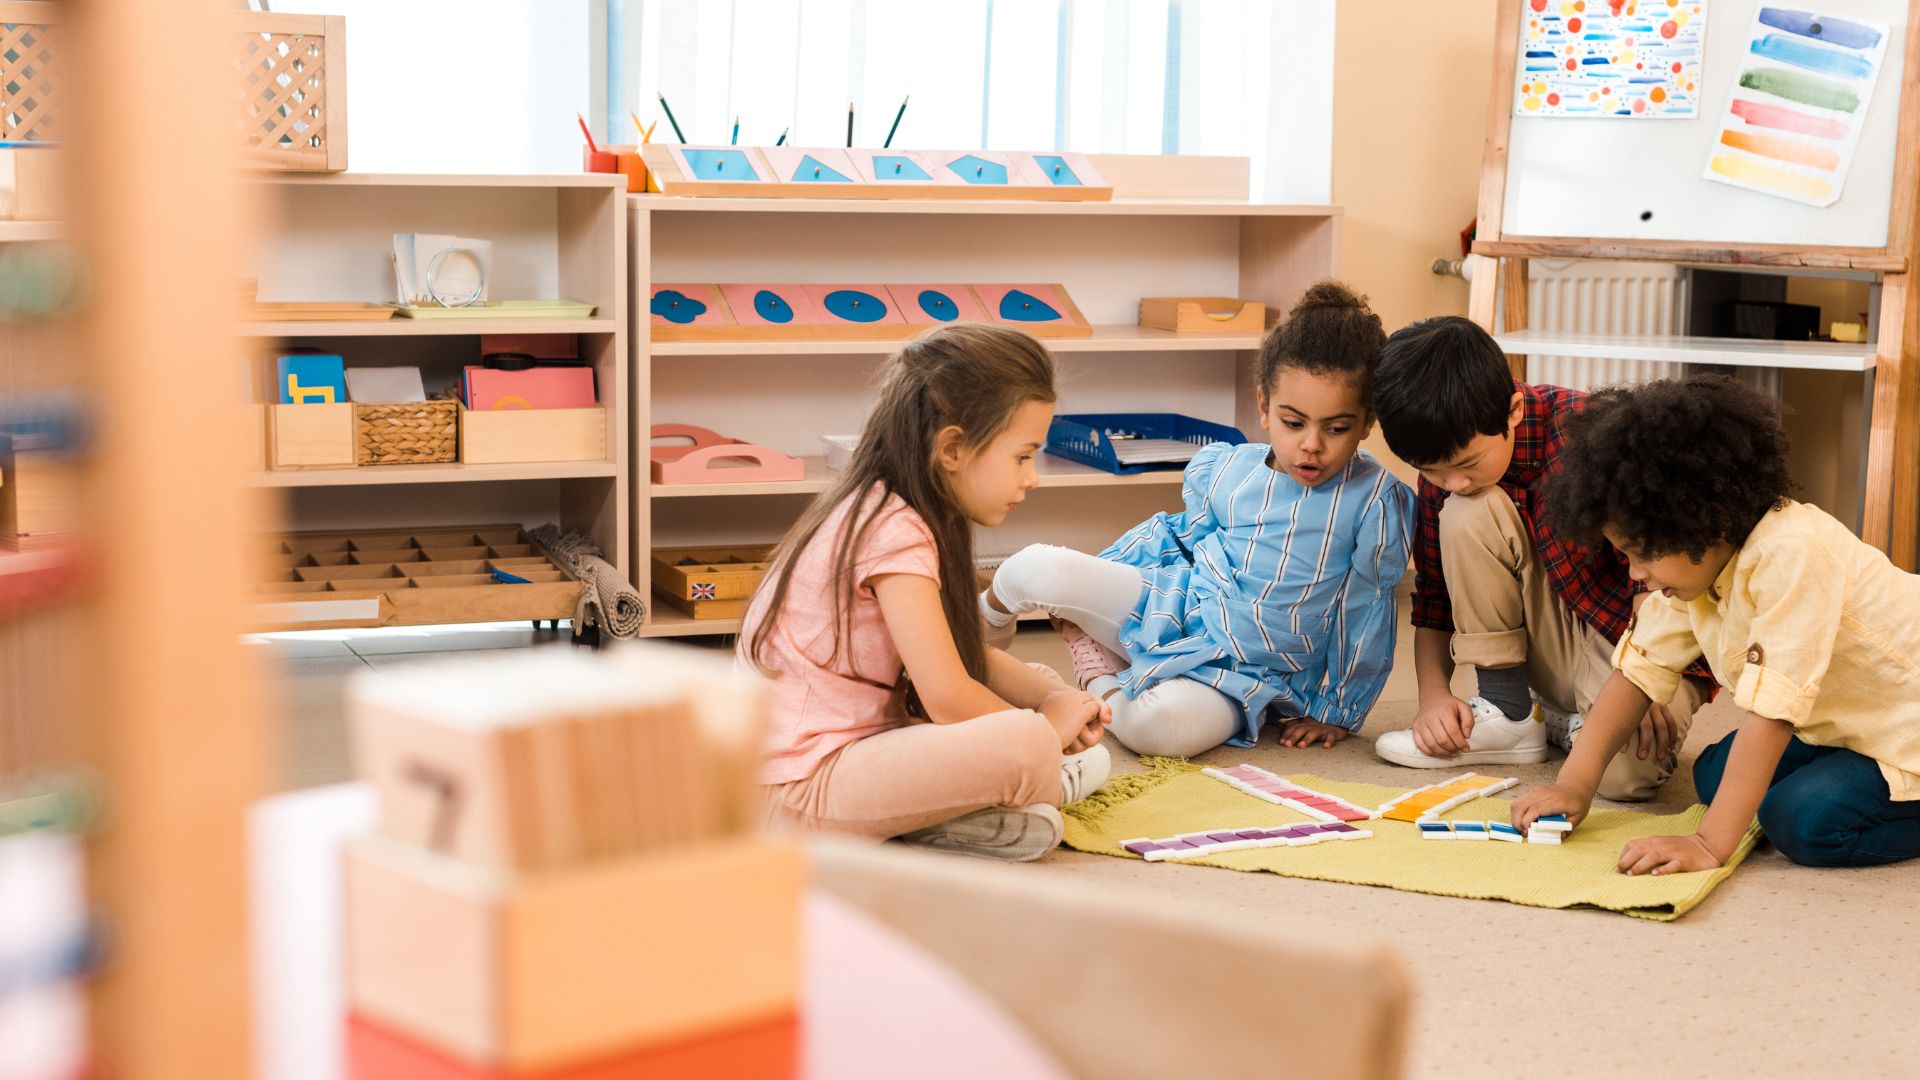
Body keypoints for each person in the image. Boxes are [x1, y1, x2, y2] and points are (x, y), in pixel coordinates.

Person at [983, 282, 1414, 756]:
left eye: (1336, 428)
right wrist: (1100, 577)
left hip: (1252, 673)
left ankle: (1095, 679)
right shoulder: (1228, 468)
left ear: (1367, 422)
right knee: (1034, 567)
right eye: (1294, 423)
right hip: (1175, 607)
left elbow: (1366, 612)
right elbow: (1174, 538)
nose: (1312, 444)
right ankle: (974, 641)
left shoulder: (1374, 500)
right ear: (1264, 406)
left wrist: (1338, 711)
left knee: (1160, 729)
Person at [1511, 376, 1920, 871]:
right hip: (1849, 724)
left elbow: (1772, 714)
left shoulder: (1793, 554)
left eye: (1642, 555)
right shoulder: (1697, 569)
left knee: (1802, 821)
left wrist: (1707, 844)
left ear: (1705, 524)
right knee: (1713, 774)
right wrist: (1572, 786)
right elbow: (1636, 673)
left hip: (1906, 731)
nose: (1635, 574)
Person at [741, 325, 1110, 862]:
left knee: (1043, 687)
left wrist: (1050, 700)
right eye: (1023, 456)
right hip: (798, 791)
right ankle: (1030, 785)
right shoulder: (893, 529)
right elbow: (947, 696)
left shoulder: (894, 508)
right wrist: (1047, 728)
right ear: (954, 448)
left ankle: (943, 819)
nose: (1032, 478)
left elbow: (957, 661)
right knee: (1028, 742)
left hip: (848, 757)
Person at [1367, 316, 1710, 801]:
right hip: (1548, 638)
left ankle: (1561, 721)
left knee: (1625, 777)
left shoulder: (1591, 433)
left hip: (1636, 636)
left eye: (1466, 464)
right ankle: (1509, 713)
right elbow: (1433, 599)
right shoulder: (1448, 481)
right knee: (1465, 512)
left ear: (1512, 411)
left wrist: (1646, 673)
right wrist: (1433, 699)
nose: (1452, 482)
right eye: (1432, 471)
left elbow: (1655, 579)